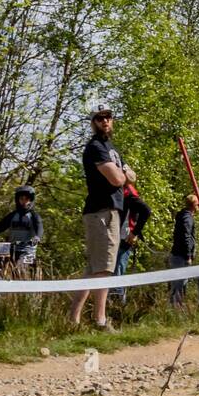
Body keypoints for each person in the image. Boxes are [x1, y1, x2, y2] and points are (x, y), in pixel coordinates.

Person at [71, 109, 135, 330]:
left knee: (93, 268)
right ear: (93, 123)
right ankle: (100, 321)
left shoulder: (112, 148)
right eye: (100, 118)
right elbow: (119, 178)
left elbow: (131, 176)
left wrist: (125, 175)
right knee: (105, 268)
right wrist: (124, 175)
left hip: (109, 212)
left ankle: (73, 320)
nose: (105, 121)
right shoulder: (96, 148)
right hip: (102, 212)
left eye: (108, 117)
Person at [0, 185, 43, 274]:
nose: (24, 202)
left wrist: (37, 237)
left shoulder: (34, 216)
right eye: (21, 199)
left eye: (26, 199)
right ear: (18, 200)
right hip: (11, 247)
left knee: (20, 270)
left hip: (27, 250)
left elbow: (39, 228)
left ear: (31, 200)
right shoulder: (13, 215)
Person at [112, 181, 151, 302]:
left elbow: (146, 211)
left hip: (124, 238)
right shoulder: (122, 191)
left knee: (117, 271)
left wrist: (135, 233)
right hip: (115, 237)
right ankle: (113, 302)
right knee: (113, 271)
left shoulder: (128, 193)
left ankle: (117, 304)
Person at [169, 193, 198, 308]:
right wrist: (188, 255)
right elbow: (186, 236)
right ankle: (175, 309)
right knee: (179, 284)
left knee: (180, 284)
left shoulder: (184, 216)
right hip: (181, 256)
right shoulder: (187, 218)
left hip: (178, 254)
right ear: (194, 205)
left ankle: (177, 307)